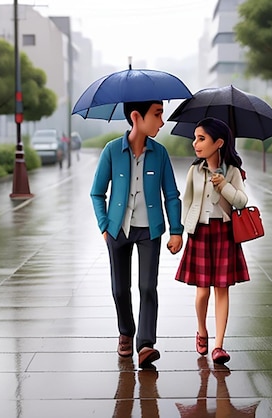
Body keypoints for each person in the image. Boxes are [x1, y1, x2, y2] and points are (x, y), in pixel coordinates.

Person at [90, 100, 184, 368]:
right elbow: (97, 192)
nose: (162, 121)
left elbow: (172, 196)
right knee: (120, 289)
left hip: (149, 230)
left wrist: (176, 230)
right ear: (135, 116)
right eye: (157, 114)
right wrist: (104, 225)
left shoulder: (161, 154)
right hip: (117, 229)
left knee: (147, 287)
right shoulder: (111, 151)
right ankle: (126, 331)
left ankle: (145, 344)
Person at [175, 117, 250, 365]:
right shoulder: (194, 172)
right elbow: (186, 201)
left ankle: (218, 345)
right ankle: (201, 329)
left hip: (225, 233)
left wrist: (225, 185)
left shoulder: (233, 172)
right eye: (195, 138)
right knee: (202, 292)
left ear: (219, 142)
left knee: (222, 290)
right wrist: (183, 231)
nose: (195, 143)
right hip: (200, 233)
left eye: (201, 138)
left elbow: (241, 201)